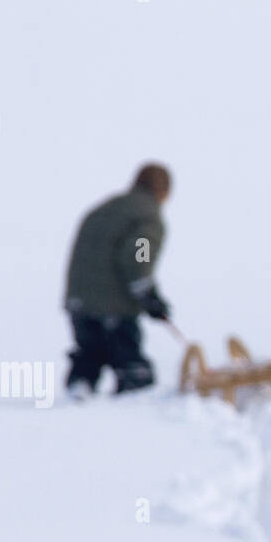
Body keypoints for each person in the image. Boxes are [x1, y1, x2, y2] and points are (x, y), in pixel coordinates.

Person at [63, 163, 173, 398]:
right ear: (164, 191)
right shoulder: (147, 217)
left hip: (79, 302)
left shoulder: (105, 209)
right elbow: (139, 253)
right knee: (133, 370)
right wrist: (147, 293)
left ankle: (77, 395)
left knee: (89, 358)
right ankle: (128, 418)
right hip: (113, 308)